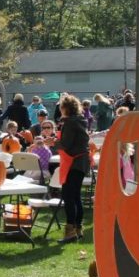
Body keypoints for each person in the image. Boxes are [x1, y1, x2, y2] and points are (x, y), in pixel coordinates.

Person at [57, 94, 90, 244]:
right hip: (81, 162)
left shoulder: (70, 123)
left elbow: (66, 145)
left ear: (66, 108)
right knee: (76, 196)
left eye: (61, 107)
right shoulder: (81, 120)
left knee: (68, 196)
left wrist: (53, 142)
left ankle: (70, 232)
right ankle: (78, 228)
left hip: (74, 162)